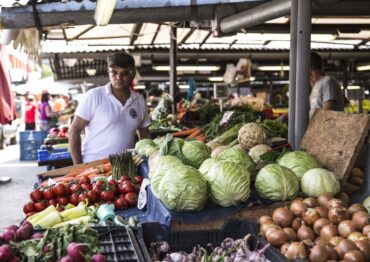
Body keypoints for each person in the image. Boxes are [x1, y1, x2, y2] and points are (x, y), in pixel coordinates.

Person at [69, 52, 151, 164]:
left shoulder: (139, 101)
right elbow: (74, 130)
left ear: (133, 73)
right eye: (114, 72)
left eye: (125, 73)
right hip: (93, 166)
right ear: (108, 72)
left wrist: (151, 159)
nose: (119, 77)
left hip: (126, 167)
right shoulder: (94, 96)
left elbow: (145, 135)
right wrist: (78, 167)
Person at [309, 52, 345, 117]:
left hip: (329, 126)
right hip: (318, 125)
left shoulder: (327, 82)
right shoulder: (316, 84)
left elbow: (327, 112)